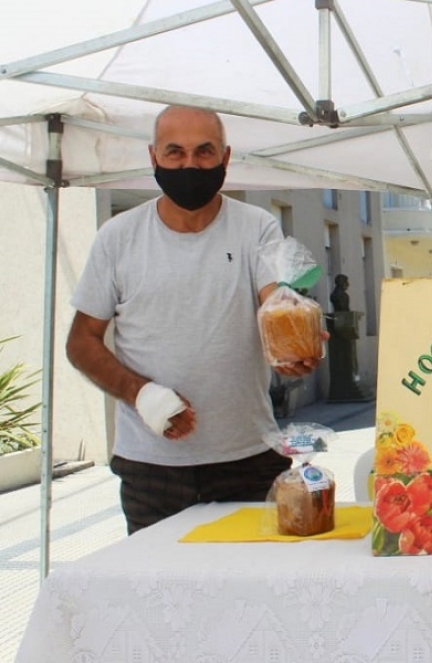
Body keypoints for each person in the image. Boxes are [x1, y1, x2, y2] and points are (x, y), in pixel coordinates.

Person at [66, 105, 324, 534]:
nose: (190, 165)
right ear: (154, 157)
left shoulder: (256, 227)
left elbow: (275, 302)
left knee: (254, 577)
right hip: (151, 468)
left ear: (226, 157)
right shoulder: (118, 237)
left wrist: (294, 340)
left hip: (249, 459)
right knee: (157, 577)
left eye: (205, 152)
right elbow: (81, 342)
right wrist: (140, 393)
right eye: (175, 152)